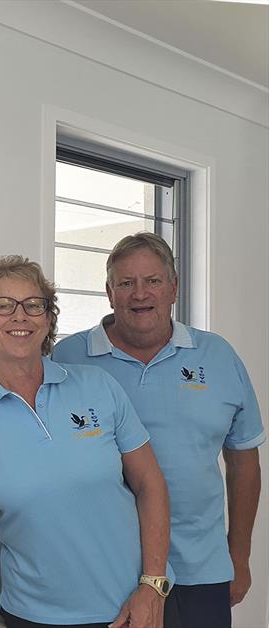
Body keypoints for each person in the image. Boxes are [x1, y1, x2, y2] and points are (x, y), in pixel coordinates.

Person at [0, 256, 176, 628]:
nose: (20, 316)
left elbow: (150, 484)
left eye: (34, 305)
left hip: (133, 610)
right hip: (34, 617)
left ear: (48, 320)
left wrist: (153, 586)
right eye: (3, 306)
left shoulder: (99, 387)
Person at [53, 233, 264, 628]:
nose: (140, 294)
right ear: (109, 292)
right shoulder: (69, 359)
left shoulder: (218, 356)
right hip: (104, 569)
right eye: (126, 283)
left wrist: (239, 555)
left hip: (201, 567)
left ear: (173, 288)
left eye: (152, 280)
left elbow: (244, 461)